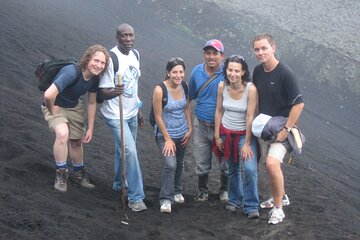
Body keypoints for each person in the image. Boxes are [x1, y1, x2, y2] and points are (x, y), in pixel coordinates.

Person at [252, 33, 304, 224]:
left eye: (264, 48)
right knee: (270, 165)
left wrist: (286, 130)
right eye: (257, 49)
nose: (260, 52)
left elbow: (299, 104)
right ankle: (282, 196)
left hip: (283, 129)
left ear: (273, 47)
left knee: (272, 164)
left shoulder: (285, 73)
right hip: (265, 128)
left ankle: (278, 209)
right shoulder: (258, 72)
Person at [42, 44, 109, 193]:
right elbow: (48, 95)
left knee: (76, 141)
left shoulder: (94, 78)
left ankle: (79, 175)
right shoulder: (71, 71)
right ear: (87, 59)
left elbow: (92, 102)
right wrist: (52, 108)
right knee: (62, 134)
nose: (98, 65)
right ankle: (61, 174)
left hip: (74, 106)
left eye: (102, 63)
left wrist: (91, 127)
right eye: (96, 60)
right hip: (56, 104)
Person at [98, 23, 147, 212]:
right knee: (130, 152)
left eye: (131, 35)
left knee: (123, 151)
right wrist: (114, 92)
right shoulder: (111, 59)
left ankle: (119, 184)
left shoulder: (136, 55)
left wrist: (139, 108)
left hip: (132, 112)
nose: (128, 39)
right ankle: (136, 197)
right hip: (114, 114)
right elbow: (102, 92)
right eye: (124, 36)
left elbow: (134, 84)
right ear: (117, 37)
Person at [213, 55, 259, 219]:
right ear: (226, 70)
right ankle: (234, 200)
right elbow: (219, 111)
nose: (233, 73)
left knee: (250, 168)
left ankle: (251, 205)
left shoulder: (250, 89)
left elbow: (250, 116)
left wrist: (247, 142)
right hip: (226, 133)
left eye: (236, 70)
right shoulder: (222, 87)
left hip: (244, 135)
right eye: (230, 70)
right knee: (232, 168)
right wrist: (217, 135)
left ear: (243, 72)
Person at [189, 39, 228, 202]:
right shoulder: (197, 72)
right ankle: (203, 190)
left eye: (215, 53)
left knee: (226, 161)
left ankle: (224, 189)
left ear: (222, 56)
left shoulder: (229, 72)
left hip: (224, 126)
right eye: (208, 53)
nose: (211, 57)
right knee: (201, 160)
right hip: (201, 124)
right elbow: (190, 96)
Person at [152, 57, 193, 213]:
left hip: (182, 132)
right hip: (165, 134)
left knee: (180, 163)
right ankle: (165, 199)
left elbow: (187, 108)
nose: (178, 75)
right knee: (171, 164)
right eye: (174, 72)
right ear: (168, 73)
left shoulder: (185, 86)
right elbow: (158, 116)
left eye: (181, 72)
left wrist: (190, 129)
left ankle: (177, 190)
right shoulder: (159, 90)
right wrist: (168, 139)